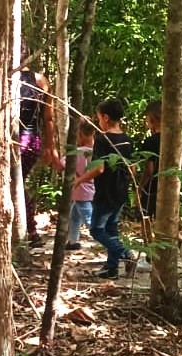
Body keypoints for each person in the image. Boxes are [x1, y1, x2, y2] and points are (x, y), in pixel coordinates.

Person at [74, 98, 135, 279]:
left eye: (99, 117)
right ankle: (111, 268)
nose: (98, 120)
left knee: (96, 229)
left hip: (106, 192)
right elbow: (132, 168)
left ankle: (126, 254)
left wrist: (79, 181)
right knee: (111, 228)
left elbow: (99, 168)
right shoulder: (126, 140)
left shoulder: (103, 139)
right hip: (121, 191)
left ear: (106, 117)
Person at [17, 59, 55, 247]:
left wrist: (51, 148)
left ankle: (31, 231)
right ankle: (28, 230)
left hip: (21, 141)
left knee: (15, 184)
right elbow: (48, 118)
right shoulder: (40, 80)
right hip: (31, 142)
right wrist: (49, 146)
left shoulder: (8, 79)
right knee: (17, 184)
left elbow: (48, 117)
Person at [60, 120, 96, 250]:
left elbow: (60, 165)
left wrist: (52, 152)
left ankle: (111, 245)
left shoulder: (78, 152)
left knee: (90, 222)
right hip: (88, 191)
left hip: (81, 192)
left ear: (80, 134)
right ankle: (73, 241)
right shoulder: (96, 152)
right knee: (74, 216)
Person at [137, 100, 162, 220]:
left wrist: (140, 187)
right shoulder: (175, 139)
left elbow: (149, 170)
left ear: (152, 119)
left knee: (147, 219)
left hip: (152, 188)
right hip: (170, 187)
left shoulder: (149, 142)